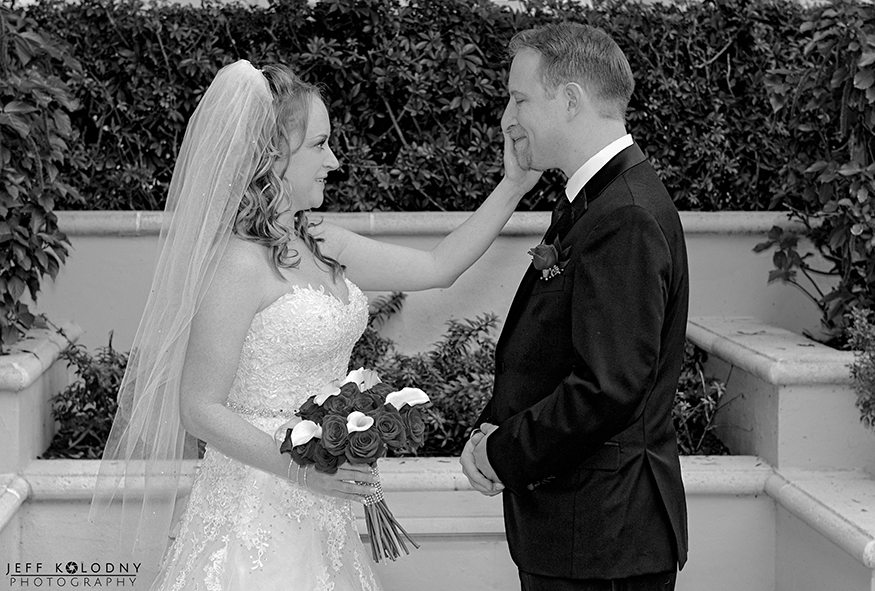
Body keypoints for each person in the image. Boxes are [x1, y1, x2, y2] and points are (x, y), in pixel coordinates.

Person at [89, 59, 540, 591]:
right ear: (272, 155)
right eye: (319, 145)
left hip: (324, 512)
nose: (334, 160)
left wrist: (513, 186)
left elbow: (437, 269)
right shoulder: (237, 263)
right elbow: (199, 408)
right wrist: (307, 472)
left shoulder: (321, 241)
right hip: (254, 509)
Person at [460, 22, 690, 591]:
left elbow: (607, 387)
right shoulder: (597, 199)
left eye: (519, 99)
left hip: (602, 537)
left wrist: (504, 451)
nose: (508, 120)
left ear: (569, 100)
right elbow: (555, 346)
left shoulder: (624, 215)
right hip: (585, 532)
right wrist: (496, 418)